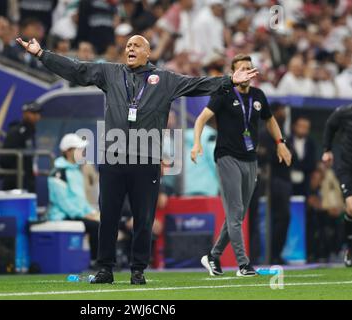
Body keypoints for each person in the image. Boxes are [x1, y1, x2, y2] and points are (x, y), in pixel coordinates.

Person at [16, 34, 257, 284]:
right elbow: (77, 69)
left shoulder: (165, 79)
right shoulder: (110, 72)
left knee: (144, 218)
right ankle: (105, 269)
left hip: (146, 159)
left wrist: (229, 80)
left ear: (148, 53)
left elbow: (198, 84)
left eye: (136, 45)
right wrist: (42, 54)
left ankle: (138, 270)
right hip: (113, 158)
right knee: (108, 216)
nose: (130, 48)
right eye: (128, 45)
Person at [191, 54, 292, 277]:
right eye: (242, 68)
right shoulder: (224, 93)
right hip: (227, 157)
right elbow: (200, 119)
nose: (247, 71)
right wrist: (196, 143)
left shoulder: (258, 95)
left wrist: (280, 143)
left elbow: (270, 119)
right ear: (234, 73)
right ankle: (243, 264)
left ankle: (213, 256)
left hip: (250, 159)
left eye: (249, 67)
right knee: (236, 212)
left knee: (237, 215)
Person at [47, 133, 99, 267]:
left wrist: (92, 213)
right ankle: (97, 262)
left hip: (77, 215)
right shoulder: (58, 173)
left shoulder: (77, 171)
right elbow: (63, 202)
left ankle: (104, 261)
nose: (82, 152)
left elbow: (80, 200)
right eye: (78, 149)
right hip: (62, 216)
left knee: (103, 222)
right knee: (96, 226)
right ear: (68, 151)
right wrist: (84, 215)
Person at [259, 102, 293, 265]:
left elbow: (292, 157)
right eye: (281, 111)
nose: (284, 114)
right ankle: (268, 254)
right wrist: (277, 153)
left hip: (284, 180)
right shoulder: (264, 134)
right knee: (272, 219)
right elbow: (264, 156)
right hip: (270, 181)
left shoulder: (284, 133)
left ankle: (276, 254)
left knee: (284, 217)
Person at [322, 104, 352, 267]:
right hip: (348, 168)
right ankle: (350, 248)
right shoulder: (344, 112)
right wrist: (327, 149)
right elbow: (330, 126)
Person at [0, 102, 42, 193]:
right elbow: (4, 158)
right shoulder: (17, 131)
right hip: (15, 179)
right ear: (25, 113)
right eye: (33, 113)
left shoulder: (31, 131)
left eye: (37, 113)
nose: (36, 116)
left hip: (28, 178)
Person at [289, 117, 317, 196]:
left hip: (305, 183)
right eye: (301, 126)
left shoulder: (311, 144)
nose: (303, 129)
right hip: (288, 182)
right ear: (294, 126)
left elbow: (312, 163)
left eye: (306, 127)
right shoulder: (287, 141)